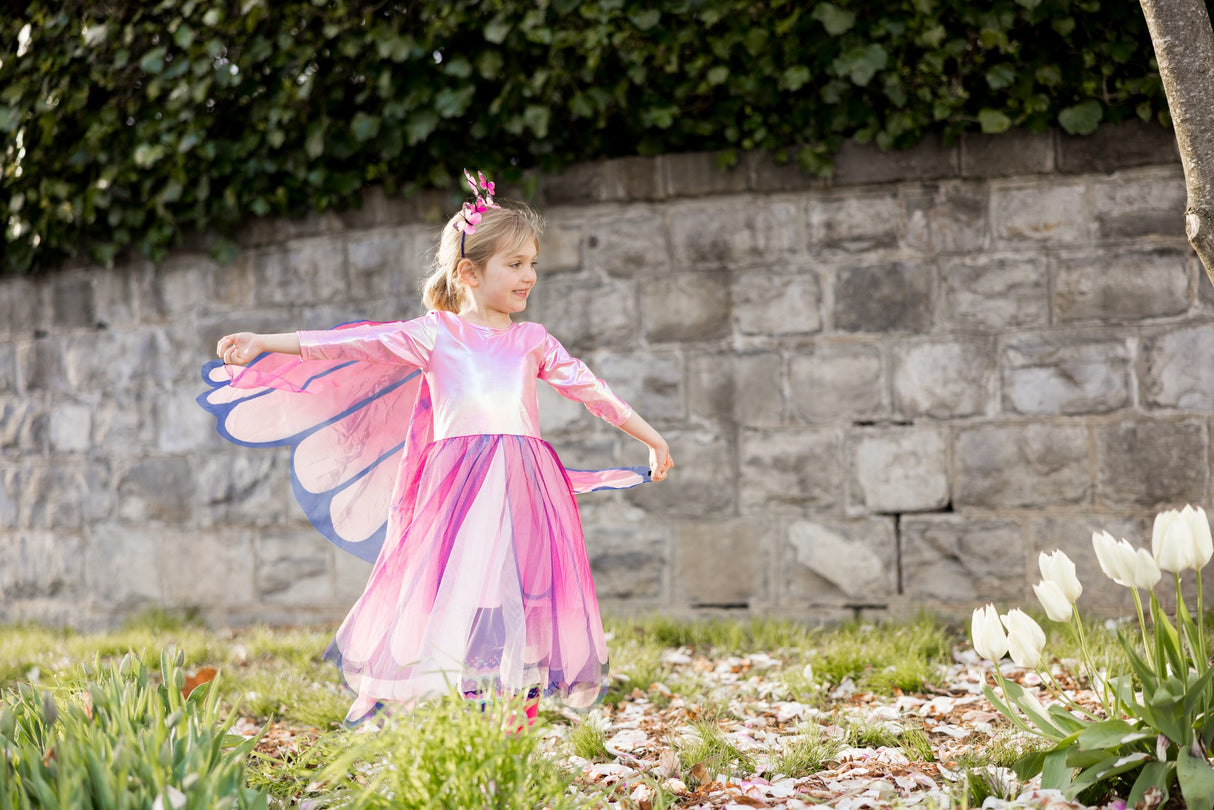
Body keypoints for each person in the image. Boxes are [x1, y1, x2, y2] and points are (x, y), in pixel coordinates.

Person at [199, 170, 673, 724]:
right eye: (515, 264)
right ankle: (441, 697)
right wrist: (264, 342)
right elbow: (349, 343)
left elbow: (593, 391)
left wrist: (651, 436)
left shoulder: (532, 340)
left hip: (522, 481)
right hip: (457, 485)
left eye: (533, 264)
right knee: (455, 586)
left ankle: (509, 707)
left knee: (515, 587)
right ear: (470, 272)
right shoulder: (437, 333)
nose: (530, 276)